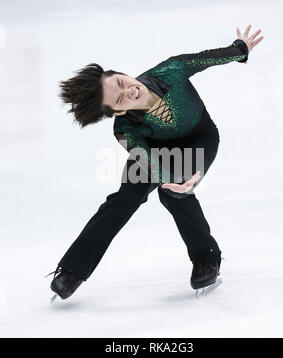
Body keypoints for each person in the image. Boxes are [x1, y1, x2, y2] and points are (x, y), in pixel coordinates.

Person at [46, 25, 264, 300]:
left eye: (123, 82)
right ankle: (72, 270)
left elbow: (207, 58)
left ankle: (206, 259)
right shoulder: (124, 129)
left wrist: (240, 50)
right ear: (119, 110)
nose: (130, 90)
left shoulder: (171, 71)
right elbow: (147, 161)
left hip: (200, 138)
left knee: (175, 194)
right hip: (152, 152)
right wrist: (166, 178)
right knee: (125, 197)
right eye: (120, 97)